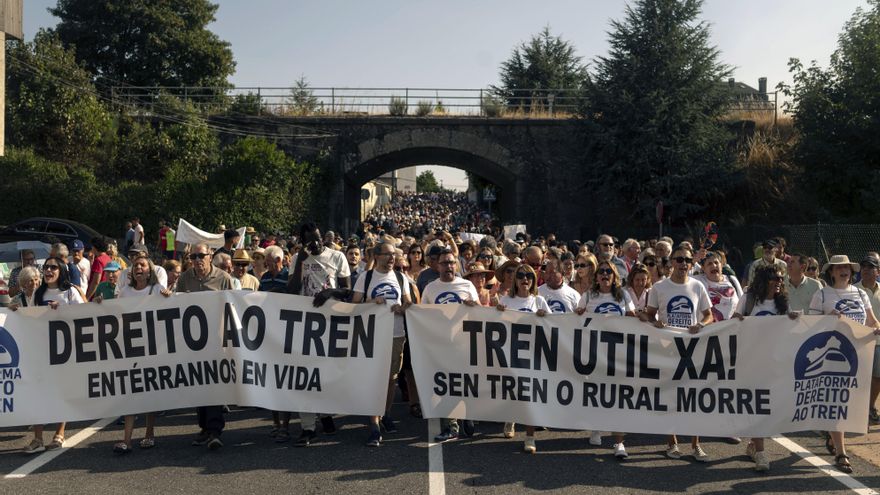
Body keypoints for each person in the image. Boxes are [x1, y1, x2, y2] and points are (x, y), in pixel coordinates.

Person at [640, 246, 713, 462]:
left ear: (691, 264)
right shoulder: (659, 288)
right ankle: (672, 443)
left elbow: (709, 315)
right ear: (671, 262)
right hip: (666, 349)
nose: (683, 264)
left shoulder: (698, 286)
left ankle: (696, 445)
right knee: (670, 397)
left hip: (691, 350)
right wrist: (655, 322)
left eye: (687, 261)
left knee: (693, 398)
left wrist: (700, 324)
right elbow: (647, 315)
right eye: (679, 260)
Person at [808, 254, 880, 473]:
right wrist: (827, 317)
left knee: (849, 404)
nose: (843, 270)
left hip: (858, 353)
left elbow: (871, 320)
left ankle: (833, 438)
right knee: (835, 402)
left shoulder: (860, 293)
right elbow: (810, 325)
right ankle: (841, 452)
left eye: (846, 267)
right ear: (831, 272)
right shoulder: (821, 294)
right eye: (838, 268)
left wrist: (877, 327)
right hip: (832, 353)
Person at [732, 265, 800, 471]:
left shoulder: (782, 303)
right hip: (752, 362)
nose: (779, 281)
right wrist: (739, 321)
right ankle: (761, 452)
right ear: (764, 280)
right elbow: (733, 323)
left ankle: (754, 444)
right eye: (774, 278)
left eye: (781, 278)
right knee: (757, 405)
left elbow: (789, 330)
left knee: (771, 407)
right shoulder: (749, 299)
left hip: (775, 363)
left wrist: (794, 320)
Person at [288, 222, 350, 446]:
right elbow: (291, 290)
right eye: (309, 240)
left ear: (323, 236)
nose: (315, 244)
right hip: (305, 323)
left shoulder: (337, 257)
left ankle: (326, 414)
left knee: (326, 374)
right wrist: (300, 264)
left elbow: (348, 291)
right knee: (305, 375)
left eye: (317, 238)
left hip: (331, 323)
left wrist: (329, 292)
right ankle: (308, 427)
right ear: (302, 242)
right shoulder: (299, 259)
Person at [352, 242, 413, 447]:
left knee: (391, 379)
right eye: (387, 255)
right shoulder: (366, 277)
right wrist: (371, 302)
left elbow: (409, 304)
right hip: (372, 336)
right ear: (376, 256)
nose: (392, 259)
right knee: (374, 379)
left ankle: (385, 414)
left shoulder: (400, 277)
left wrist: (402, 308)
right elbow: (353, 305)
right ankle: (374, 424)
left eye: (394, 255)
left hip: (396, 335)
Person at [110, 254, 173, 454]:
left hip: (152, 347)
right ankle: (127, 440)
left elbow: (167, 309)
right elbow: (116, 313)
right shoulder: (125, 291)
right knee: (130, 392)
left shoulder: (156, 290)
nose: (138, 267)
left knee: (149, 390)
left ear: (149, 270)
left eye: (142, 265)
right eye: (135, 265)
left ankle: (149, 433)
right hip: (131, 346)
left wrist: (167, 298)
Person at [176, 243, 234, 450]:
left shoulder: (223, 278)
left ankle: (215, 430)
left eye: (202, 255)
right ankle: (204, 427)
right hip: (194, 342)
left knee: (215, 386)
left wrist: (229, 340)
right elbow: (178, 306)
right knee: (199, 385)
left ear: (211, 256)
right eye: (194, 256)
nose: (198, 260)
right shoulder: (185, 279)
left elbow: (232, 310)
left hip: (217, 341)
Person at [22, 258, 83, 453]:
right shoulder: (39, 293)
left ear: (61, 270)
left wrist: (63, 310)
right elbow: (29, 317)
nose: (48, 270)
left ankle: (60, 433)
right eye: (46, 267)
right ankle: (38, 438)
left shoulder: (70, 292)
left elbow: (84, 315)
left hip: (65, 352)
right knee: (39, 394)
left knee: (61, 393)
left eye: (53, 267)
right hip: (42, 351)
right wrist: (17, 313)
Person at [423, 249, 480, 443]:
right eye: (445, 263)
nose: (449, 266)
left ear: (457, 264)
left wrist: (473, 305)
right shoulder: (431, 288)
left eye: (452, 262)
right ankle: (451, 426)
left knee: (466, 381)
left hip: (465, 342)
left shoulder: (467, 284)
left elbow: (480, 311)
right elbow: (422, 315)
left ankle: (468, 413)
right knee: (446, 384)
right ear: (437, 265)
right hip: (442, 345)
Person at [496, 264, 550, 453]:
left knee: (530, 396)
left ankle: (529, 436)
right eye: (520, 275)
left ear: (534, 279)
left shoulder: (540, 301)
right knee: (513, 391)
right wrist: (498, 312)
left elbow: (554, 328)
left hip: (533, 356)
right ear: (515, 280)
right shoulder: (506, 300)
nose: (524, 279)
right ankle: (510, 418)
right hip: (511, 355)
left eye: (529, 275)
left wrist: (545, 317)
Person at [854, 256, 880, 423]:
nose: (865, 269)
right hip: (857, 342)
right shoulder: (852, 290)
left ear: (878, 271)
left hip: (878, 343)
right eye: (863, 266)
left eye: (870, 267)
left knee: (877, 377)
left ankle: (870, 407)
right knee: (857, 377)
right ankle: (855, 410)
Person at [694, 252, 742, 322]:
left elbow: (742, 303)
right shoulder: (697, 281)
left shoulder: (732, 280)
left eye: (716, 262)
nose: (714, 265)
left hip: (733, 329)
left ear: (721, 265)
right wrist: (693, 260)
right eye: (709, 264)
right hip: (708, 330)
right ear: (703, 268)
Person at [86, 236, 112, 301]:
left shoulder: (98, 260)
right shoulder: (108, 258)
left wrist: (87, 298)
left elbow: (96, 282)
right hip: (105, 292)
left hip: (97, 295)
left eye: (92, 247)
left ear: (95, 247)